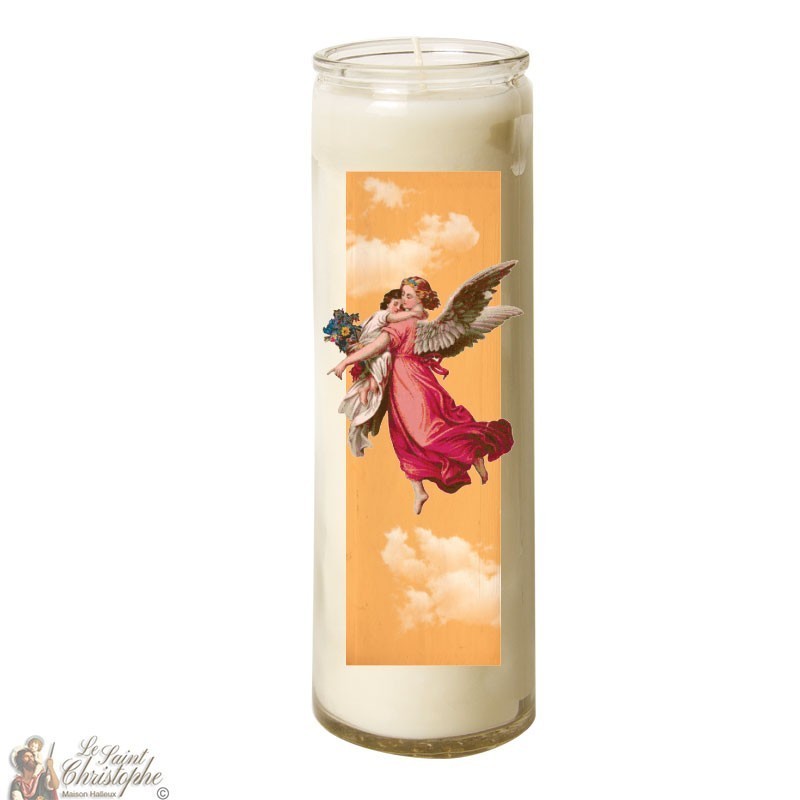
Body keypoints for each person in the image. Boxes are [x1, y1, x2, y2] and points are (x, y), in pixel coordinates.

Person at [329, 275, 514, 514]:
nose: (403, 300)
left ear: (420, 298)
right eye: (402, 295)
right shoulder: (413, 321)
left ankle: (473, 452)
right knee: (403, 437)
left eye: (408, 296)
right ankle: (420, 490)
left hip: (412, 383)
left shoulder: (405, 324)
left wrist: (345, 362)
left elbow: (375, 348)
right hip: (401, 382)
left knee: (426, 434)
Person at [338, 288, 426, 457]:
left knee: (382, 362)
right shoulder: (383, 315)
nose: (398, 308)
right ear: (387, 303)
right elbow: (393, 319)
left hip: (367, 351)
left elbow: (359, 330)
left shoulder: (375, 318)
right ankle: (368, 387)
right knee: (386, 356)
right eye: (395, 304)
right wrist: (413, 313)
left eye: (400, 306)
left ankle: (368, 387)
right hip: (370, 351)